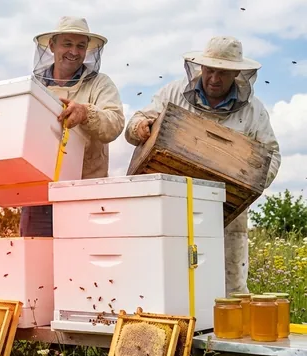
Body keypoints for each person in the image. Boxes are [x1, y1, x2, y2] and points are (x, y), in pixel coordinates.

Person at [124, 36, 281, 296]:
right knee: (171, 277)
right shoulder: (173, 92)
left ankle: (230, 336)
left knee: (231, 285)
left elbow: (271, 155)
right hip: (174, 201)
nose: (215, 79)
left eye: (223, 73)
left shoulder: (253, 111)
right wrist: (138, 128)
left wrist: (247, 186)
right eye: (210, 70)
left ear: (237, 74)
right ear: (200, 67)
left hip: (226, 210)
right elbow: (140, 120)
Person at [20, 16, 125, 237]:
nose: (74, 52)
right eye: (67, 43)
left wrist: (86, 113)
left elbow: (114, 124)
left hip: (85, 191)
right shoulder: (33, 86)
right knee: (35, 263)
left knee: (83, 264)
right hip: (38, 195)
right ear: (52, 45)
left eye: (81, 46)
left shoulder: (100, 84)